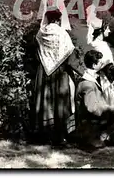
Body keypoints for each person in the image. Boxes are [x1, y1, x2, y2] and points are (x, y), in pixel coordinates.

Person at [32, 9, 81, 146]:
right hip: (60, 72)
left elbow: (36, 52)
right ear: (59, 19)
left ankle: (44, 135)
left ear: (47, 19)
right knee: (60, 101)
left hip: (44, 71)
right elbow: (70, 57)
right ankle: (61, 136)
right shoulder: (62, 34)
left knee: (44, 100)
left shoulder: (41, 33)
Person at [75, 50, 114, 149]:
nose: (103, 65)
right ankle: (95, 138)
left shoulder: (94, 79)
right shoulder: (87, 84)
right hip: (90, 125)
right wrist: (113, 108)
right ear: (94, 65)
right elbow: (93, 108)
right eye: (101, 63)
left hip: (97, 121)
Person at [86, 14, 114, 106]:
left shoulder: (96, 44)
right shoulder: (101, 46)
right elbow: (107, 65)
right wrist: (113, 78)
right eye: (107, 28)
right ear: (101, 31)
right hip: (105, 81)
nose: (109, 30)